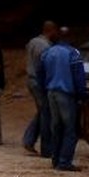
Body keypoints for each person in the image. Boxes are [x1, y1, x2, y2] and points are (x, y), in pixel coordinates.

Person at [38, 33, 87, 171]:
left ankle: (56, 159)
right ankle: (64, 162)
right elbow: (78, 76)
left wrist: (44, 91)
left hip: (51, 93)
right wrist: (82, 95)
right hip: (66, 94)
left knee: (57, 127)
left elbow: (40, 73)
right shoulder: (73, 53)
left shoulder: (47, 53)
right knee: (71, 129)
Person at [21, 21, 58, 156]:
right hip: (38, 81)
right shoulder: (45, 46)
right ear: (51, 30)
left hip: (31, 79)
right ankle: (46, 147)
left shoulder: (33, 42)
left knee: (42, 111)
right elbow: (43, 66)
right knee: (46, 113)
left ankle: (29, 139)